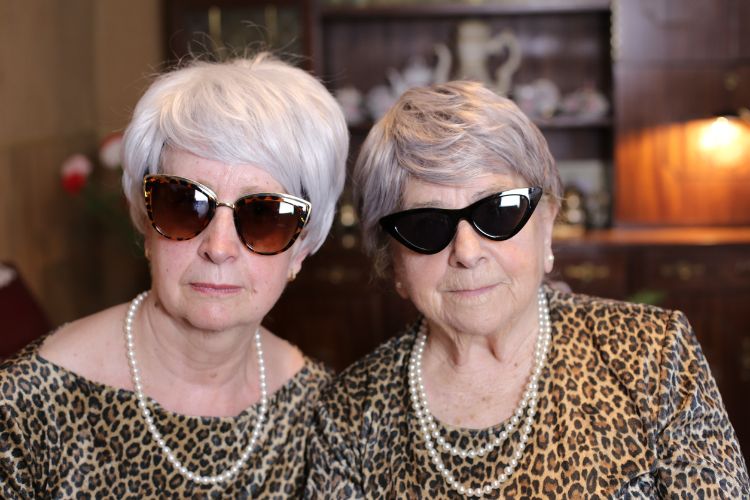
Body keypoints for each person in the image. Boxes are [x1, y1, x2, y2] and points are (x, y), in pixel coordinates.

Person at [306, 81, 749, 498]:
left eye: (498, 212)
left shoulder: (652, 354)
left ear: (547, 225)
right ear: (392, 262)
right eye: (426, 225)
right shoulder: (349, 413)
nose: (467, 252)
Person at [0, 52, 348, 497]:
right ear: (146, 222)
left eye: (264, 215)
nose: (218, 248)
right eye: (185, 205)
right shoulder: (25, 408)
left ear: (303, 246)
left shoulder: (324, 414)